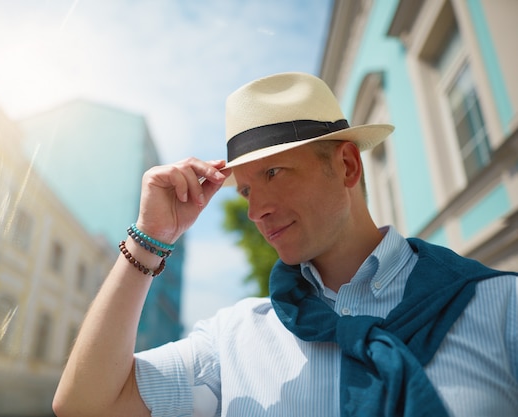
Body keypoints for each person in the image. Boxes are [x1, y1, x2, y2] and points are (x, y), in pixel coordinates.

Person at [52, 72, 518, 417]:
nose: (256, 212)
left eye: (274, 173)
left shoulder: (501, 307)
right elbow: (84, 405)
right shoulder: (231, 338)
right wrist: (150, 240)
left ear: (348, 167)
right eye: (248, 190)